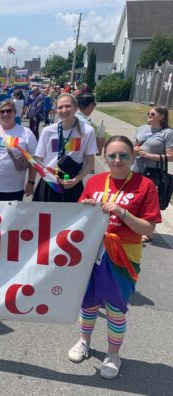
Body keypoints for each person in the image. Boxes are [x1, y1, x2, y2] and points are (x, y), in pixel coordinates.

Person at [68, 135, 161, 379]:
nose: (117, 160)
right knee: (87, 303)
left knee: (116, 309)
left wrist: (122, 213)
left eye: (123, 155)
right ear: (104, 157)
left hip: (123, 256)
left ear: (132, 157)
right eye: (112, 155)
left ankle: (113, 354)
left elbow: (148, 230)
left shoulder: (145, 186)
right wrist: (86, 206)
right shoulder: (95, 181)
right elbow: (78, 218)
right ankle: (84, 341)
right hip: (91, 252)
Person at [33, 93, 97, 202]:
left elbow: (91, 163)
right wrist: (49, 177)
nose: (64, 110)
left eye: (68, 106)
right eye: (60, 107)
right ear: (56, 110)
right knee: (46, 217)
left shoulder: (87, 131)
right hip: (51, 182)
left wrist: (76, 180)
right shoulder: (48, 131)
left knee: (72, 218)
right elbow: (38, 160)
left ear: (76, 108)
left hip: (73, 182)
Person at [131, 106, 173, 242]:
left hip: (153, 172)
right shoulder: (142, 129)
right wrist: (134, 149)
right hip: (136, 169)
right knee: (135, 199)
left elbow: (170, 157)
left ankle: (148, 232)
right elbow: (133, 144)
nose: (149, 115)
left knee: (150, 203)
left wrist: (149, 155)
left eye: (152, 113)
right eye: (148, 113)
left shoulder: (167, 133)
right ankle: (135, 227)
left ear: (162, 116)